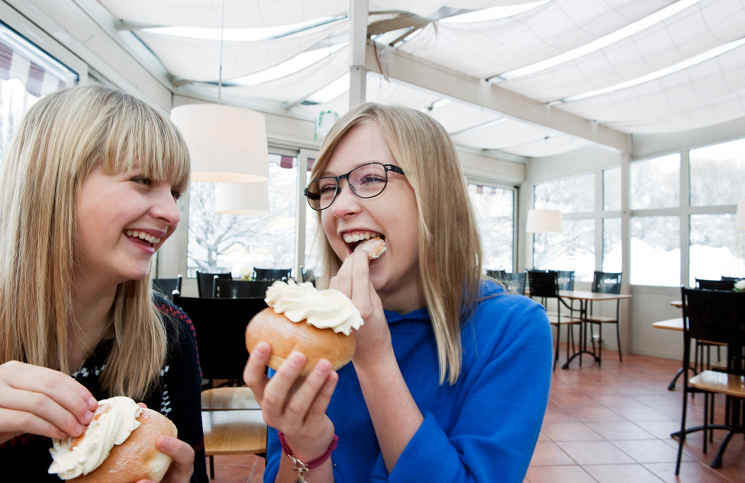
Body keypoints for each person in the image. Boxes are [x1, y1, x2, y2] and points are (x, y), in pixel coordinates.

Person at [244, 102, 553, 482]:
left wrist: (374, 360)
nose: (339, 207)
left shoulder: (512, 329)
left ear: (435, 195)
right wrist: (308, 447)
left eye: (371, 179)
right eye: (327, 188)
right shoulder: (304, 333)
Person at [0, 85, 207, 482]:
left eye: (175, 193)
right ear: (54, 184)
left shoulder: (171, 332)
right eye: (142, 180)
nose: (172, 213)